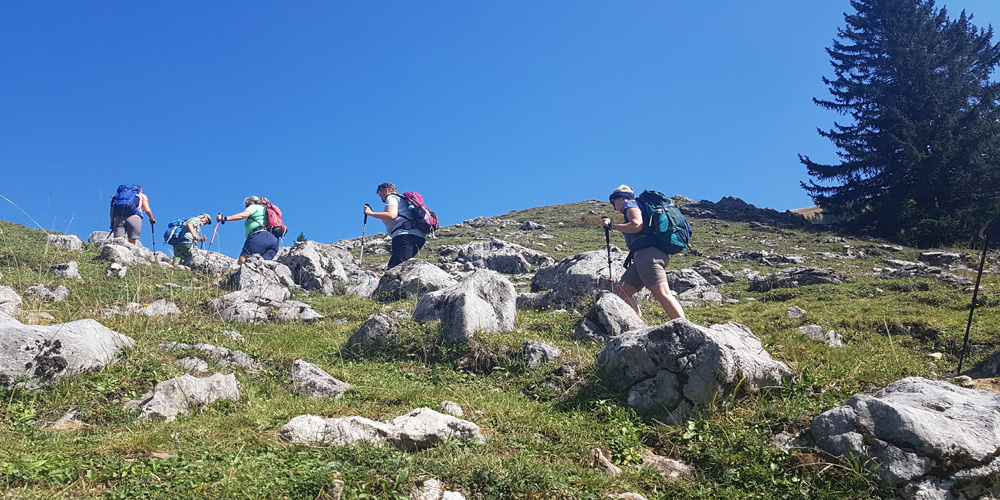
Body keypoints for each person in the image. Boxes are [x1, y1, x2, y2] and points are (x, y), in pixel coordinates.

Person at [601, 184, 686, 320]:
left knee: (663, 294)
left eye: (613, 202)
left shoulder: (630, 204)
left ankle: (684, 328)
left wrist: (613, 225)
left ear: (622, 198)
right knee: (620, 293)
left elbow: (636, 225)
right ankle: (637, 325)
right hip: (647, 257)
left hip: (647, 257)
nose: (613, 207)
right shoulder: (638, 206)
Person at [363, 183, 427, 268]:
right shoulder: (403, 199)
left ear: (386, 190)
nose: (381, 198)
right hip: (419, 236)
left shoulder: (391, 197)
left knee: (395, 267)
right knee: (402, 265)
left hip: (405, 234)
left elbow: (391, 215)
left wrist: (370, 213)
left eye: (380, 195)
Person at [217, 196, 280, 265]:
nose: (246, 207)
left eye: (247, 205)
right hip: (275, 240)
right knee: (261, 266)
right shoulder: (266, 209)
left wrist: (224, 218)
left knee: (243, 260)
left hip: (259, 236)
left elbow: (243, 215)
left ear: (251, 203)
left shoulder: (254, 206)